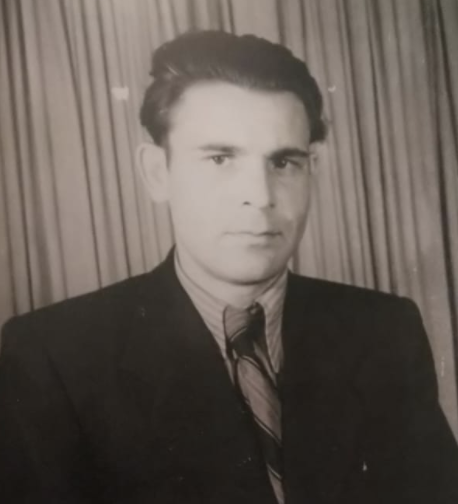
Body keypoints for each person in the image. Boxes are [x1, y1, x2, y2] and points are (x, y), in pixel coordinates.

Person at [0, 30, 457, 504]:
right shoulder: (52, 358)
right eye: (220, 158)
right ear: (156, 173)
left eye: (284, 162)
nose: (259, 196)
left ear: (313, 168)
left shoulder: (385, 331)